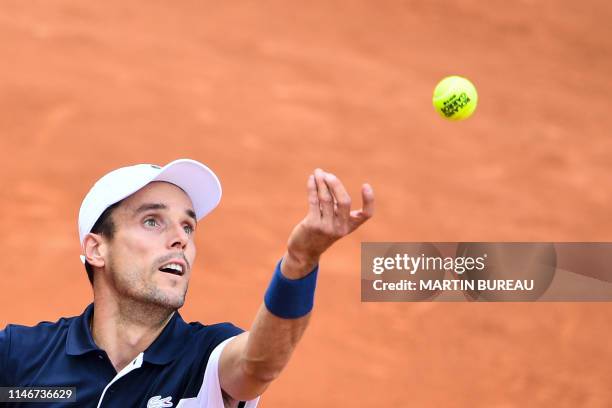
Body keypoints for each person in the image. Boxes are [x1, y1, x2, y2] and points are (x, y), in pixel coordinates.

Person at [0, 159, 374, 407]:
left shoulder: (206, 360)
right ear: (97, 249)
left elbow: (258, 365)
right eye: (152, 221)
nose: (181, 239)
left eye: (188, 226)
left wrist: (300, 261)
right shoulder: (21, 357)